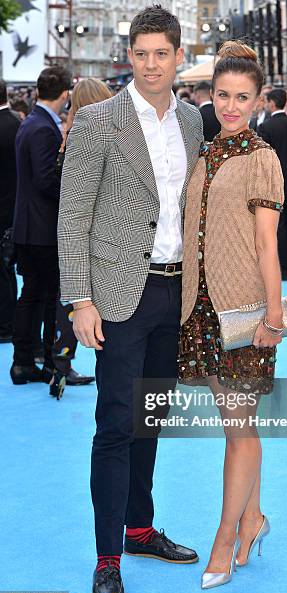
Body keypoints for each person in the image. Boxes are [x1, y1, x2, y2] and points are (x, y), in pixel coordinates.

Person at [58, 6, 203, 593]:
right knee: (115, 426)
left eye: (160, 54)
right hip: (119, 296)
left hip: (176, 295)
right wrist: (79, 301)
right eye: (140, 54)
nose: (150, 64)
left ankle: (139, 529)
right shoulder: (98, 121)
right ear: (130, 57)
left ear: (177, 55)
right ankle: (107, 556)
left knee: (150, 420)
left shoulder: (194, 121)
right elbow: (74, 215)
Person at [179, 41, 285, 590]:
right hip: (201, 309)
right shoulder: (205, 152)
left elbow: (268, 247)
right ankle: (253, 519)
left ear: (259, 99)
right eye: (222, 94)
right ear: (210, 94)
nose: (230, 106)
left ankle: (224, 539)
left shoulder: (261, 158)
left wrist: (271, 316)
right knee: (240, 428)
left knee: (239, 432)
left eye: (242, 97)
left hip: (244, 312)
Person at [50, 78, 113, 399]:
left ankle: (61, 362)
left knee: (68, 300)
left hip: (71, 231)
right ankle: (61, 363)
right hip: (91, 235)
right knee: (76, 300)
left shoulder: (69, 133)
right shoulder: (91, 134)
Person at [10, 66, 71, 385]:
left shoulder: (32, 122)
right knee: (44, 297)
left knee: (32, 295)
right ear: (64, 94)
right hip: (42, 231)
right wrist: (75, 192)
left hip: (29, 227)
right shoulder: (43, 128)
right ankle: (43, 360)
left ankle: (25, 360)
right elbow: (46, 180)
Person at [260, 89, 287, 280]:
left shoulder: (266, 127)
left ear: (271, 104)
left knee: (279, 227)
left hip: (276, 184)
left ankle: (284, 270)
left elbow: (264, 159)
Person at [0, 79, 20, 343]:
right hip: (14, 209)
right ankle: (7, 323)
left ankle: (5, 325)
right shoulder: (18, 124)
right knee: (7, 271)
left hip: (4, 210)